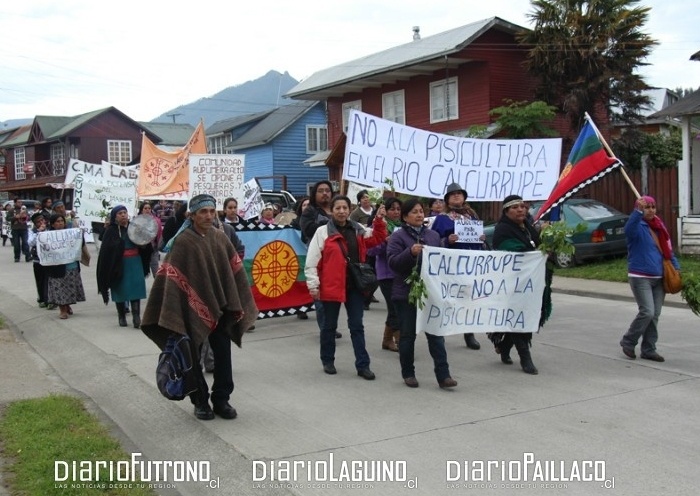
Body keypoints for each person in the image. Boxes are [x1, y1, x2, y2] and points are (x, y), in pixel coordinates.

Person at [141, 194, 258, 421]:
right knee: (191, 356)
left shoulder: (220, 238)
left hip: (221, 309)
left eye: (211, 211)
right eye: (203, 212)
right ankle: (200, 401)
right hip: (189, 310)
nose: (208, 216)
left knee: (223, 355)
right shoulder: (183, 241)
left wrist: (235, 301)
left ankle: (222, 399)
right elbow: (172, 278)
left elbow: (232, 271)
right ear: (191, 215)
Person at [305, 195, 387, 379]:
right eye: (338, 208)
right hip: (331, 287)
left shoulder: (358, 230)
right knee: (329, 326)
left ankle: (363, 365)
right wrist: (313, 286)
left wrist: (380, 219)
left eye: (345, 208)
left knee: (357, 325)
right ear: (332, 211)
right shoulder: (322, 233)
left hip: (355, 286)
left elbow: (378, 238)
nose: (341, 211)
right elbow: (312, 262)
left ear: (349, 210)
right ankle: (328, 360)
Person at [387, 198, 458, 389]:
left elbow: (442, 261)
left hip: (431, 293)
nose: (419, 215)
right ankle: (408, 373)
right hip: (406, 293)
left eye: (421, 211)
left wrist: (448, 244)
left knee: (436, 334)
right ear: (405, 217)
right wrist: (410, 253)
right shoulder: (398, 237)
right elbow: (393, 263)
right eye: (414, 212)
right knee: (408, 335)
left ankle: (444, 376)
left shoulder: (433, 235)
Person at [489, 195, 548, 375]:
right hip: (513, 283)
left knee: (529, 316)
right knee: (516, 317)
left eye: (522, 206)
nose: (520, 210)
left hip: (531, 283)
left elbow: (538, 246)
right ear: (506, 211)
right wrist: (533, 253)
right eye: (515, 207)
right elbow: (509, 249)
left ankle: (504, 345)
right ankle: (525, 357)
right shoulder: (503, 229)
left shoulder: (528, 227)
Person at [619, 195, 679, 363]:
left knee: (655, 315)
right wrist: (637, 211)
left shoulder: (660, 226)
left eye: (653, 207)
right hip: (640, 276)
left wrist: (677, 268)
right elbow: (629, 229)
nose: (651, 210)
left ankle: (649, 349)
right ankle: (628, 341)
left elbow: (668, 251)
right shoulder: (637, 226)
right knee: (647, 311)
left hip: (659, 277)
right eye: (647, 207)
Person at [431, 182, 484, 351]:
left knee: (469, 299)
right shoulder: (442, 218)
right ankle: (441, 330)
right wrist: (447, 241)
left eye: (459, 193)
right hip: (451, 266)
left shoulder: (472, 217)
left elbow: (476, 240)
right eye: (453, 194)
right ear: (447, 199)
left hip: (470, 264)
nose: (456, 196)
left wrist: (481, 239)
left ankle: (469, 333)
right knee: (449, 298)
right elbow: (433, 240)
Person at [96, 205, 152, 328]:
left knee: (136, 288)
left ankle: (136, 316)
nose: (123, 215)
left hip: (135, 262)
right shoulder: (111, 231)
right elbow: (106, 251)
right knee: (120, 288)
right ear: (114, 216)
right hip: (119, 264)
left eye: (125, 212)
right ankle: (121, 316)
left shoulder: (135, 227)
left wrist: (144, 244)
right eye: (120, 213)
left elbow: (145, 244)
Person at [300, 180, 341, 338]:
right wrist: (327, 226)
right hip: (319, 259)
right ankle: (326, 329)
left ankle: (331, 326)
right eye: (321, 190)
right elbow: (307, 228)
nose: (325, 193)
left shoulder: (337, 209)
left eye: (327, 190)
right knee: (321, 299)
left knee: (333, 298)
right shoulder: (310, 211)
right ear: (314, 194)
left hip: (337, 259)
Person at [367, 197, 402, 352]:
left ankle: (387, 340)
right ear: (385, 210)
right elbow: (371, 250)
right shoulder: (378, 226)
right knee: (394, 307)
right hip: (386, 273)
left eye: (398, 209)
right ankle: (401, 340)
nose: (396, 212)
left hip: (402, 272)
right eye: (392, 209)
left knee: (396, 307)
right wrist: (385, 241)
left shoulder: (404, 227)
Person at [44, 213, 86, 319]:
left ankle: (67, 305)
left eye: (62, 221)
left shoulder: (71, 233)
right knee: (59, 288)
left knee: (69, 288)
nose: (60, 223)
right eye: (57, 222)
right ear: (52, 224)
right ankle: (62, 310)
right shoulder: (47, 235)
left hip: (71, 265)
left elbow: (80, 244)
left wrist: (80, 234)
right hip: (56, 267)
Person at [291, 196, 310, 320]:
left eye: (309, 205)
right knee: (299, 281)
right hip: (298, 257)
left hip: (312, 255)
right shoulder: (294, 223)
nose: (306, 207)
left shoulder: (317, 221)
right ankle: (300, 307)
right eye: (304, 205)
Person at [27, 211, 49, 308]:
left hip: (49, 259)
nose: (41, 223)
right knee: (40, 280)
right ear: (35, 224)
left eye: (42, 220)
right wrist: (39, 232)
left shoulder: (49, 230)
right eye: (38, 222)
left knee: (49, 280)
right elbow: (30, 243)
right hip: (38, 260)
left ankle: (49, 298)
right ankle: (42, 299)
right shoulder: (32, 231)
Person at [138, 201, 163, 277]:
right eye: (145, 208)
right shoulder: (136, 221)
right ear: (141, 210)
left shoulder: (156, 221)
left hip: (153, 248)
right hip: (140, 249)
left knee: (155, 268)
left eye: (149, 208)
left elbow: (159, 234)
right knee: (141, 269)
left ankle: (158, 287)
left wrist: (158, 245)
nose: (147, 210)